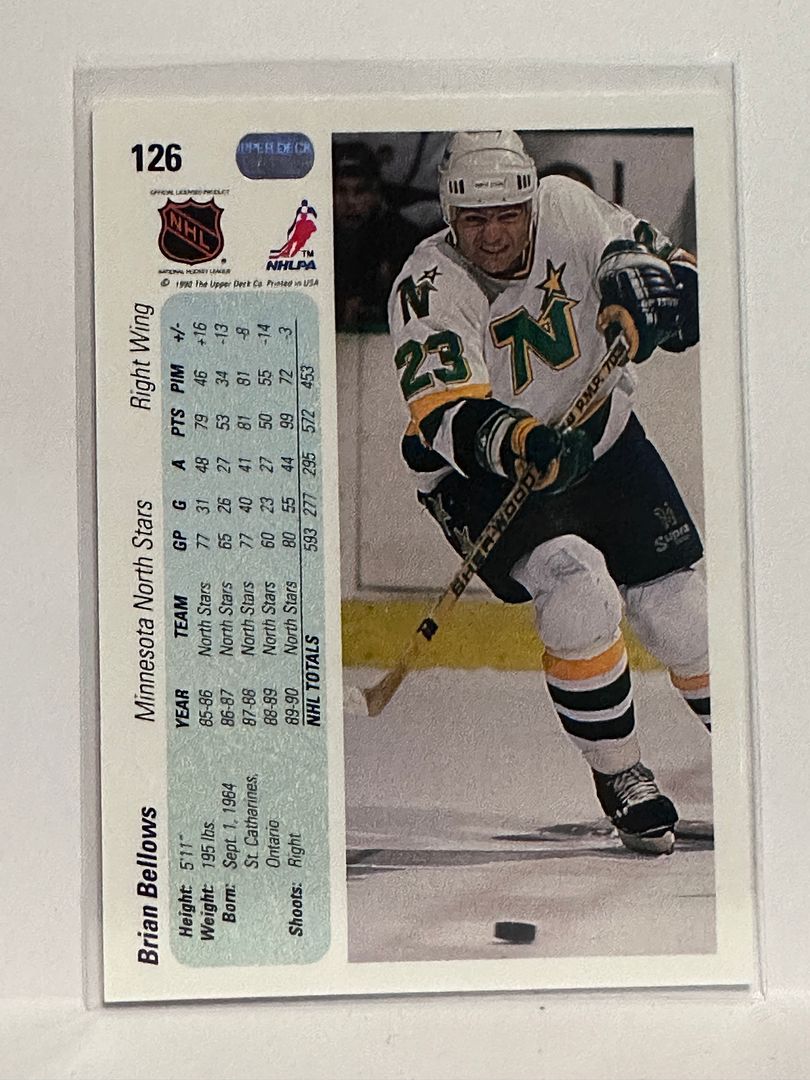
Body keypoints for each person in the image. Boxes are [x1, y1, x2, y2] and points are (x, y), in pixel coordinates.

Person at [387, 130, 706, 855]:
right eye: (474, 220)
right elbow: (443, 415)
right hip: (480, 473)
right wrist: (518, 442)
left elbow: (667, 269)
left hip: (602, 437)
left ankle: (762, 755)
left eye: (508, 214)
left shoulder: (569, 206)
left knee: (683, 614)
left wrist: (671, 300)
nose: (494, 235)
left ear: (532, 202)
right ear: (449, 214)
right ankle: (621, 774)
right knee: (577, 589)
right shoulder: (425, 284)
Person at [333, 141, 425, 331]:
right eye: (340, 191)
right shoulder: (310, 238)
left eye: (360, 191)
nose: (350, 202)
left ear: (376, 194)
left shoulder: (403, 238)